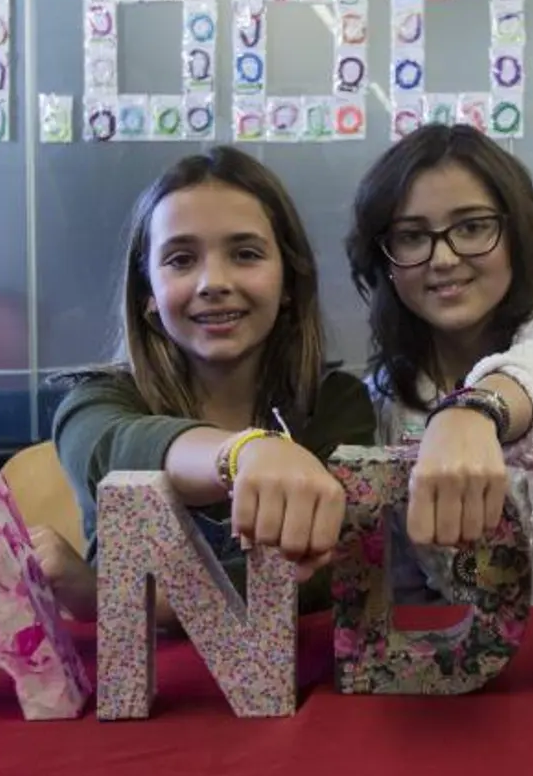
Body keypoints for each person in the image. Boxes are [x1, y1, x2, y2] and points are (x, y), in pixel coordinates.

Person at [40, 147, 375, 624]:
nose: (212, 282)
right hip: (135, 691)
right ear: (147, 296)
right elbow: (113, 453)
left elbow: (322, 575)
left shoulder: (336, 403)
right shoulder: (98, 402)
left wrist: (122, 601)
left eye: (245, 254)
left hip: (289, 687)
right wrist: (246, 454)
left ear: (287, 284)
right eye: (181, 259)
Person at [344, 124, 533, 606]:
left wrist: (472, 411)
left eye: (472, 227)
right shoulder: (382, 400)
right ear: (385, 260)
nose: (443, 257)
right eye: (413, 236)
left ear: (516, 234)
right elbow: (404, 588)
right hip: (480, 672)